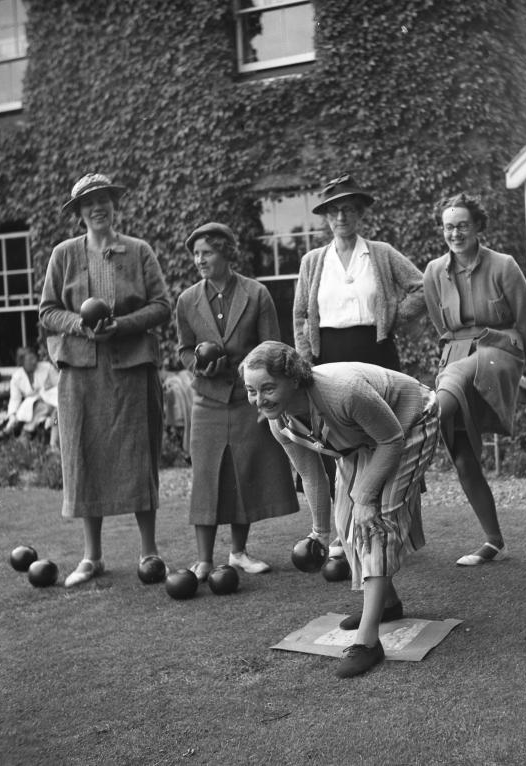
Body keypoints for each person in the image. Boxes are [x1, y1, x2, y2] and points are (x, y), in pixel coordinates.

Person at [242, 341, 439, 678]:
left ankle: (368, 642)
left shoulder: (342, 392)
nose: (259, 400)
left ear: (292, 378)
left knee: (375, 520)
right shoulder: (280, 421)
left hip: (409, 423)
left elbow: (391, 439)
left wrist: (365, 498)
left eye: (267, 388)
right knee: (344, 520)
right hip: (362, 438)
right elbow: (310, 473)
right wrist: (319, 533)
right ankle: (388, 604)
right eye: (251, 391)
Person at [39, 173, 171, 587]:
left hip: (132, 370)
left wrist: (124, 325)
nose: (98, 208)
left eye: (105, 200)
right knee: (85, 457)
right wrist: (80, 324)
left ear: (115, 205)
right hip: (81, 374)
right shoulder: (63, 255)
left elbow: (162, 306)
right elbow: (47, 313)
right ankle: (91, 557)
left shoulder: (138, 251)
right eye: (89, 203)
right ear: (78, 213)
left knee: (139, 456)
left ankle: (149, 552)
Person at [293, 173, 426, 555]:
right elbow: (302, 315)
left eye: (348, 209)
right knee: (340, 448)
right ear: (326, 218)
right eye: (334, 211)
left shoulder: (381, 253)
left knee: (388, 439)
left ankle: (397, 528)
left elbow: (421, 287)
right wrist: (304, 364)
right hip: (329, 360)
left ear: (360, 213)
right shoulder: (313, 261)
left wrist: (392, 317)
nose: (341, 217)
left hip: (376, 354)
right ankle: (343, 534)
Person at [176, 222, 298, 580]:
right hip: (208, 399)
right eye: (196, 254)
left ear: (226, 253)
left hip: (248, 398)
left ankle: (238, 553)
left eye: (207, 252)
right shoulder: (187, 300)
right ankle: (203, 561)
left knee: (243, 471)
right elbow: (183, 349)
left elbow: (271, 348)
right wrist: (199, 367)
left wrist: (254, 379)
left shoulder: (256, 294)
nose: (199, 260)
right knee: (206, 477)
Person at [423, 193, 526, 566]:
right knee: (462, 456)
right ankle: (493, 541)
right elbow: (442, 327)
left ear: (477, 227)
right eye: (448, 227)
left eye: (462, 226)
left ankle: (415, 428)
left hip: (500, 352)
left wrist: (513, 371)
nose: (455, 233)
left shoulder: (503, 266)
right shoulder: (433, 272)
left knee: (445, 392)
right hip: (456, 356)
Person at [2, 346, 59, 446]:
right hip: (32, 410)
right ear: (21, 362)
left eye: (34, 358)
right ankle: (29, 433)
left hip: (53, 405)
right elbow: (15, 399)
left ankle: (50, 441)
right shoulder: (17, 377)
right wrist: (12, 416)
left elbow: (60, 386)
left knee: (56, 418)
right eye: (30, 359)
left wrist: (48, 389)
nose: (34, 361)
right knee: (35, 407)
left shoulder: (46, 367)